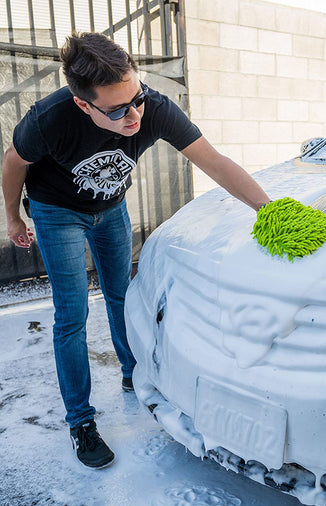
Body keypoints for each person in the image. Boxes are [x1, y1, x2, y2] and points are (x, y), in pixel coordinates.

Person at [1, 32, 270, 469]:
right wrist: (14, 217)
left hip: (110, 208)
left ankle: (135, 372)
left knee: (123, 296)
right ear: (83, 105)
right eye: (118, 109)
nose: (134, 115)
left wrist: (271, 212)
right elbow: (14, 162)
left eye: (137, 98)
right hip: (57, 211)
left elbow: (214, 161)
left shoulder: (154, 107)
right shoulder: (48, 119)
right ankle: (81, 421)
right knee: (71, 315)